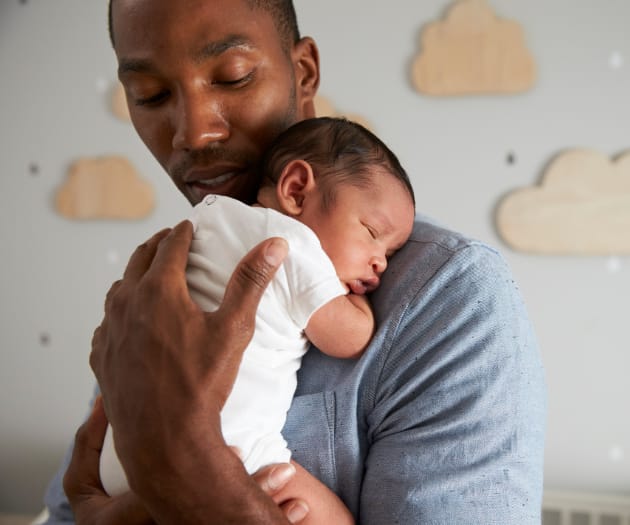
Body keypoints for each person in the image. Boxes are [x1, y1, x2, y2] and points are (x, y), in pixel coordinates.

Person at [43, 0, 546, 523]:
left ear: (303, 73)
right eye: (151, 95)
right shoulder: (161, 283)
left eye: (233, 77)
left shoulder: (449, 299)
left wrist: (194, 473)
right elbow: (73, 503)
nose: (193, 133)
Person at [98, 116, 416, 508]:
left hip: (121, 457)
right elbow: (349, 338)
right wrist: (356, 301)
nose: (380, 263)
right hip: (231, 453)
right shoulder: (294, 245)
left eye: (389, 254)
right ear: (297, 191)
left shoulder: (207, 219)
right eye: (371, 233)